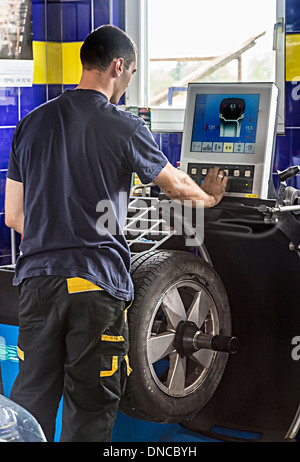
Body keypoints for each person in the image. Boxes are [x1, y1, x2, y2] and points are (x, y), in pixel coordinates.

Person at [4, 25, 227, 442]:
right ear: (118, 65)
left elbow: (14, 216)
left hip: (36, 285)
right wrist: (210, 199)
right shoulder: (124, 126)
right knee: (90, 407)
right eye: (133, 72)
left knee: (30, 405)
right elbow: (175, 185)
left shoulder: (30, 124)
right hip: (93, 284)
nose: (129, 82)